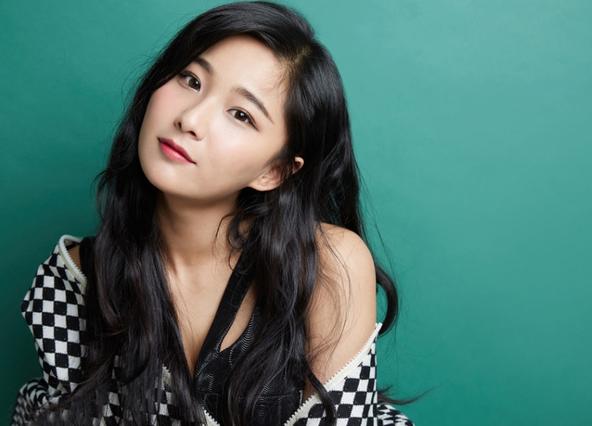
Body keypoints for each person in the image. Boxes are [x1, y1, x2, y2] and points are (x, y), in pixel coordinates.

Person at [12, 1, 421, 424]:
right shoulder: (75, 280)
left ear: (275, 170)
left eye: (241, 115)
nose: (190, 119)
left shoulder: (326, 264)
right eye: (191, 80)